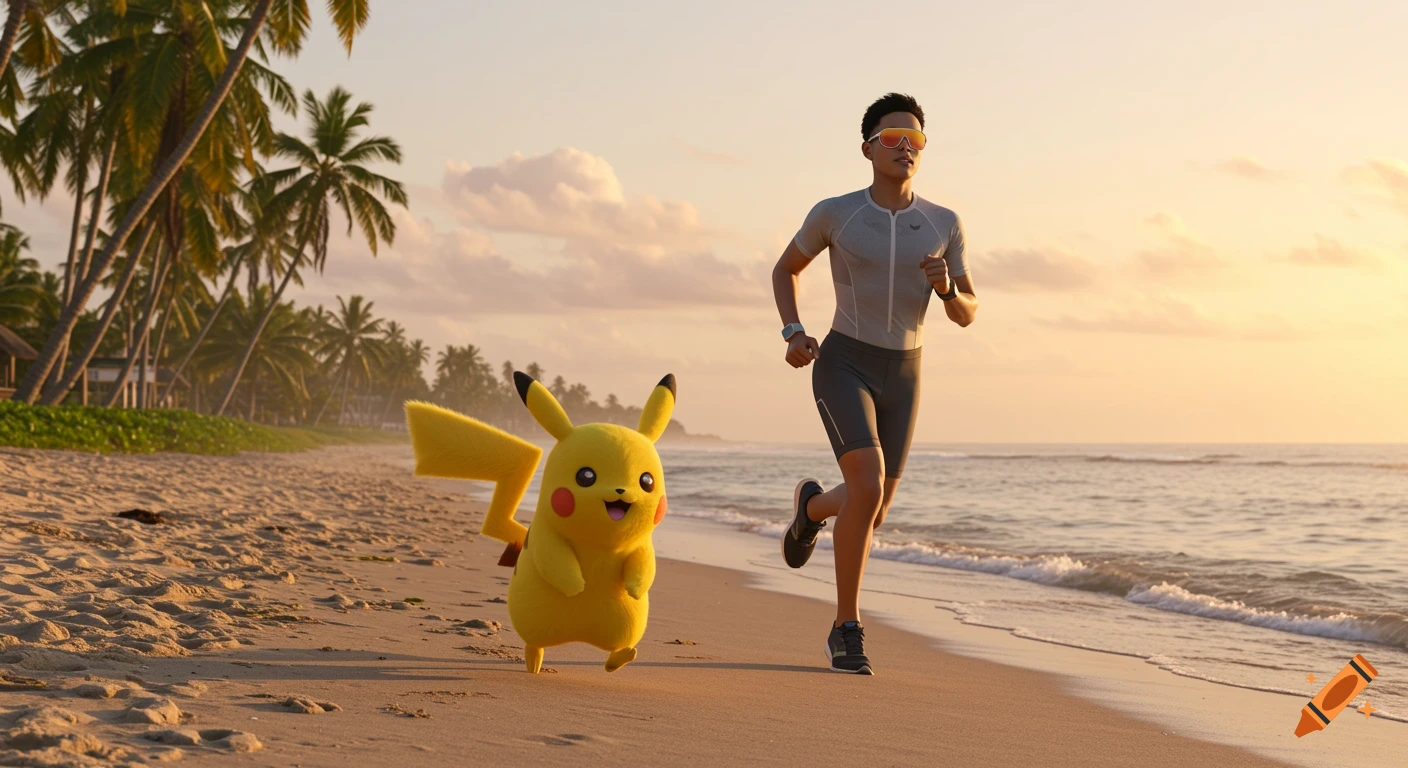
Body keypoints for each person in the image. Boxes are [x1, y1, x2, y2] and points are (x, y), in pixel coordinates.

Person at [770, 92, 979, 675]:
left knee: (874, 504)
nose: (904, 147)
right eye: (892, 138)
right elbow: (784, 269)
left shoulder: (944, 224)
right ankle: (846, 627)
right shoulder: (837, 213)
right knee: (866, 482)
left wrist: (947, 291)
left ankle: (811, 510)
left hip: (906, 372)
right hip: (844, 362)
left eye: (915, 140)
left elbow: (968, 311)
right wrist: (793, 331)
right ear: (868, 148)